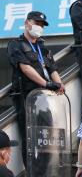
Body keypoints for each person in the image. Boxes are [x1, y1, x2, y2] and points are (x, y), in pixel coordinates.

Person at [7, 11, 64, 164]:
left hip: (45, 97)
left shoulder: (42, 47)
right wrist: (46, 84)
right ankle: (32, 172)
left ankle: (46, 170)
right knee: (30, 137)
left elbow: (52, 68)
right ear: (27, 23)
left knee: (47, 136)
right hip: (26, 97)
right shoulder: (16, 44)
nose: (39, 27)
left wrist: (59, 84)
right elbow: (25, 68)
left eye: (41, 25)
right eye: (36, 23)